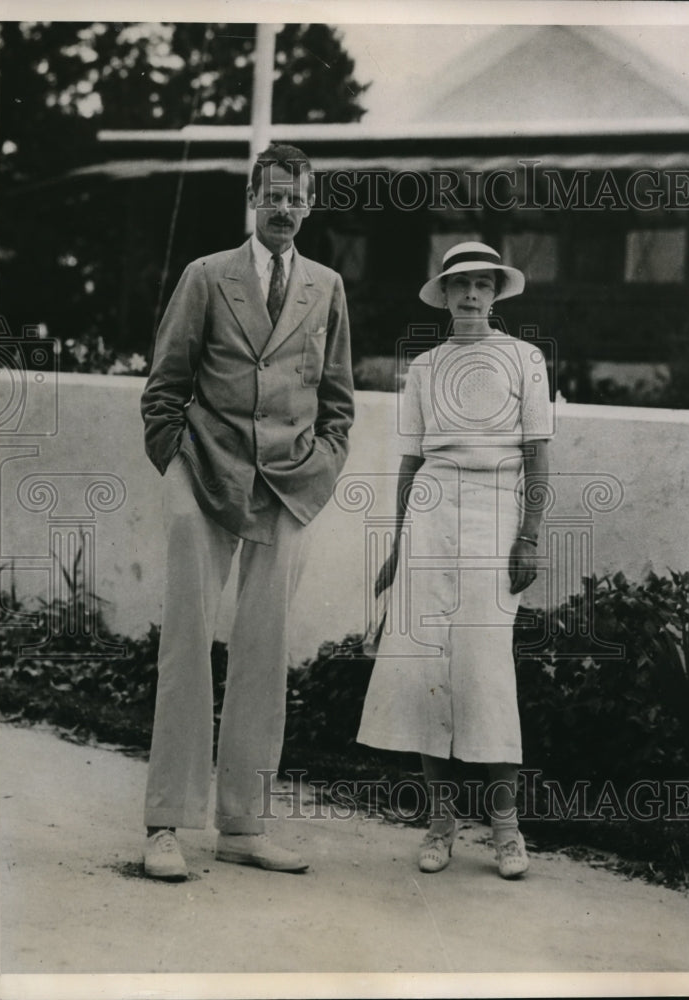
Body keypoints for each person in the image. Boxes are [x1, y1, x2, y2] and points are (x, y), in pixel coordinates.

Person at [140, 143, 354, 880]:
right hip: (203, 475)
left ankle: (243, 824)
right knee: (188, 644)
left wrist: (321, 469)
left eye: (297, 199)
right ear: (253, 200)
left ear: (311, 205)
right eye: (274, 197)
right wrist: (177, 461)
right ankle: (166, 822)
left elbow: (338, 401)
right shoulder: (207, 276)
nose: (285, 210)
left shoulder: (326, 286)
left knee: (264, 656)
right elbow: (164, 387)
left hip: (288, 488)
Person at [357, 241, 552, 879]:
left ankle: (506, 829)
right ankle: (440, 822)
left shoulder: (525, 358)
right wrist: (395, 545)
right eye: (459, 285)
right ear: (442, 295)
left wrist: (529, 534)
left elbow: (536, 455)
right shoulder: (424, 367)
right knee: (424, 668)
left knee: (487, 668)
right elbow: (411, 463)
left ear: (497, 295)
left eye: (482, 285)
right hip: (430, 517)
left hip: (496, 516)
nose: (471, 296)